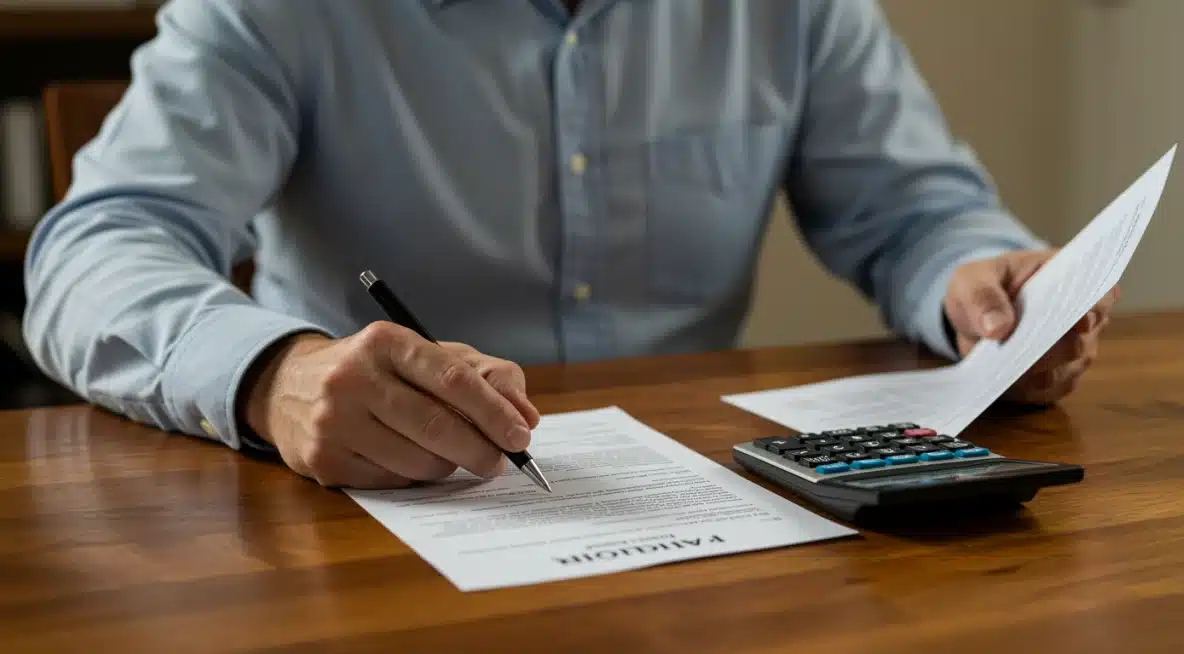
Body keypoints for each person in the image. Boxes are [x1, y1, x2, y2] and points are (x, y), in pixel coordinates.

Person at [22, 0, 1116, 489]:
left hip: (704, 509)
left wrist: (980, 285)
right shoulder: (280, 11)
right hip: (361, 521)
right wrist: (273, 374)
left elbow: (916, 211)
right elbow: (96, 248)